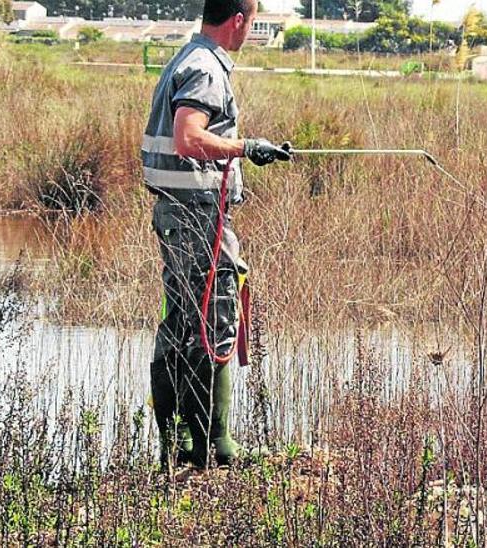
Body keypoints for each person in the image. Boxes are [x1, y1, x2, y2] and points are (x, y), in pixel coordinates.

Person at [141, 0, 291, 468]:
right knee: (216, 320)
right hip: (197, 218)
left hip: (178, 213)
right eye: (254, 22)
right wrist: (247, 148)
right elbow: (190, 137)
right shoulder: (206, 68)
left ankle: (180, 446)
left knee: (183, 323)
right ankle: (213, 446)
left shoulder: (187, 57)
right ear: (239, 21)